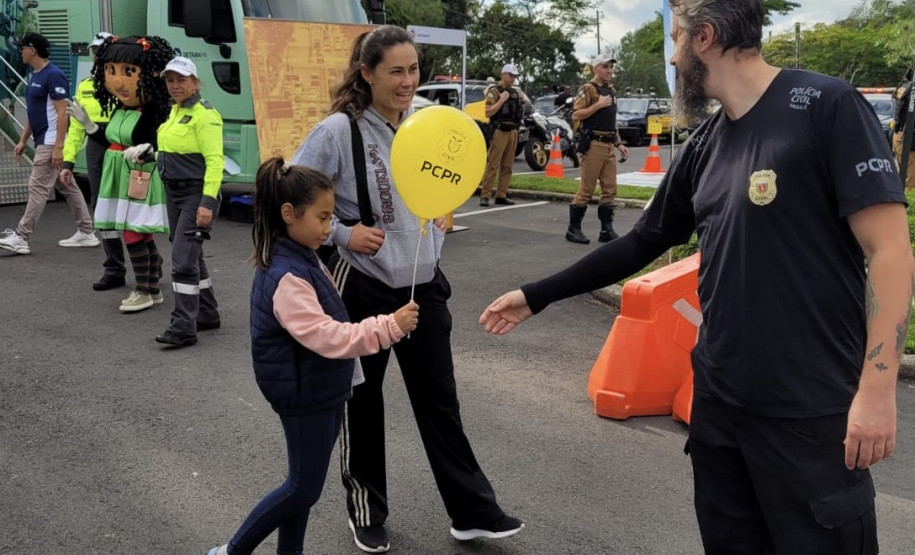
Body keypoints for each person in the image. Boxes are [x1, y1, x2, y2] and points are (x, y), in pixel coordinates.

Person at [480, 1, 913, 553]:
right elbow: (643, 241)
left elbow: (891, 250)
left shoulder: (826, 105)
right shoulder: (708, 142)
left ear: (704, 38)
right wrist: (535, 296)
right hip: (720, 408)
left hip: (809, 409)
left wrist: (877, 390)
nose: (671, 54)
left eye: (676, 38)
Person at [292, 25, 523, 554]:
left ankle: (472, 512)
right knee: (361, 400)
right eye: (395, 70)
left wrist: (443, 205)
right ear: (366, 73)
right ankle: (366, 510)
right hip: (361, 288)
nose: (407, 80)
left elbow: (439, 181)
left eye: (413, 69)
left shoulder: (426, 128)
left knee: (440, 403)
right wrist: (345, 232)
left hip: (423, 286)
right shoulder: (336, 132)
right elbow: (289, 197)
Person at [203, 158, 419, 555]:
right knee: (301, 489)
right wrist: (390, 326)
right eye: (322, 217)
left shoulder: (299, 256)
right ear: (289, 214)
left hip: (317, 388)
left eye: (330, 217)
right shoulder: (288, 274)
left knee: (301, 486)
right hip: (306, 394)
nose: (327, 227)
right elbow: (326, 336)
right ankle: (232, 551)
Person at [67, 35, 173, 312]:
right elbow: (111, 139)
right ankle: (151, 288)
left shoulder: (155, 111)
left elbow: (158, 141)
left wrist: (148, 148)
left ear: (151, 73)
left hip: (139, 176)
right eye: (110, 70)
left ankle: (142, 290)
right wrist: (89, 125)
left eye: (128, 72)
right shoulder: (122, 108)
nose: (117, 80)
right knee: (139, 233)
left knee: (133, 233)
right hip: (118, 176)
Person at [140, 56, 225, 348]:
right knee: (191, 255)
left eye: (181, 80)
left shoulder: (205, 115)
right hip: (175, 194)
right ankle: (208, 314)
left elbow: (215, 161)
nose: (175, 86)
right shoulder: (175, 111)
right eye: (170, 80)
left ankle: (183, 327)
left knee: (182, 262)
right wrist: (149, 154)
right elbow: (176, 149)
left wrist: (207, 202)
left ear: (195, 82)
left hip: (195, 195)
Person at [0, 32, 99, 256]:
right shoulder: (35, 75)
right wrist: (23, 140)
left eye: (22, 47)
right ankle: (87, 231)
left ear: (32, 50)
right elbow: (34, 113)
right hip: (43, 140)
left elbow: (63, 114)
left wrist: (58, 147)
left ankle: (21, 236)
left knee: (37, 187)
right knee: (68, 185)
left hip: (51, 142)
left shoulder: (54, 75)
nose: (20, 51)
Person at [60, 31, 127, 289]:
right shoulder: (85, 84)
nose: (97, 55)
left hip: (123, 146)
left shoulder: (126, 82)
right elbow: (77, 127)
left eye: (103, 51)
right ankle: (114, 268)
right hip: (97, 151)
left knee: (134, 209)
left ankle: (150, 262)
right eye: (95, 51)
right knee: (103, 208)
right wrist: (68, 162)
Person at [565, 53, 629, 245]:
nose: (609, 70)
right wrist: (598, 105)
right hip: (593, 144)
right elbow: (576, 115)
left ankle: (606, 230)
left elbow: (612, 121)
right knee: (586, 189)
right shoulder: (588, 89)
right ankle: (573, 229)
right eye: (605, 67)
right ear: (595, 68)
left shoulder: (611, 90)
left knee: (610, 189)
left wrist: (619, 143)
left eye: (611, 67)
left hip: (608, 144)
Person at [478, 63, 527, 207]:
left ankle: (501, 194)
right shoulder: (495, 91)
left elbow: (520, 111)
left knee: (507, 166)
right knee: (493, 164)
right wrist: (501, 100)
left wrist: (522, 101)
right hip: (499, 130)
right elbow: (488, 112)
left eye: (514, 76)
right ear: (503, 75)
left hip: (513, 130)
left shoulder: (515, 92)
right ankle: (485, 195)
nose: (513, 79)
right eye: (511, 75)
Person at [892, 66, 914, 189]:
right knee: (911, 183)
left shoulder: (905, 86)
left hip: (900, 135)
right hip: (908, 138)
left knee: (904, 178)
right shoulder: (912, 89)